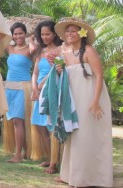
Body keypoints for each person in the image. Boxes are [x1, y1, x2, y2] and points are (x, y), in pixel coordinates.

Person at [54, 17, 113, 187]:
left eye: (73, 31)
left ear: (81, 33)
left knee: (87, 136)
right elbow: (67, 78)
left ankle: (91, 177)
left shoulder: (88, 51)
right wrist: (59, 70)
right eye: (67, 31)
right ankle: (71, 174)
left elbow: (99, 75)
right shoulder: (66, 54)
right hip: (74, 99)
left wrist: (95, 102)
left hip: (91, 98)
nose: (69, 33)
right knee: (74, 134)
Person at [31, 20, 62, 174]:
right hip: (38, 90)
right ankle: (50, 158)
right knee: (39, 125)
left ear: (55, 34)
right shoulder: (40, 50)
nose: (45, 37)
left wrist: (39, 87)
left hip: (51, 90)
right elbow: (35, 72)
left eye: (48, 34)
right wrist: (34, 88)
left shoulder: (59, 50)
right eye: (42, 34)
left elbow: (54, 72)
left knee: (51, 126)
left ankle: (55, 163)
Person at [4, 22, 33, 163]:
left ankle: (18, 155)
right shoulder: (10, 48)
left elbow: (37, 52)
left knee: (18, 120)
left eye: (20, 33)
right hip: (9, 87)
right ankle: (26, 152)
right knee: (15, 120)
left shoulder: (30, 49)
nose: (18, 36)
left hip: (23, 87)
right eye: (15, 34)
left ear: (25, 34)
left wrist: (31, 40)